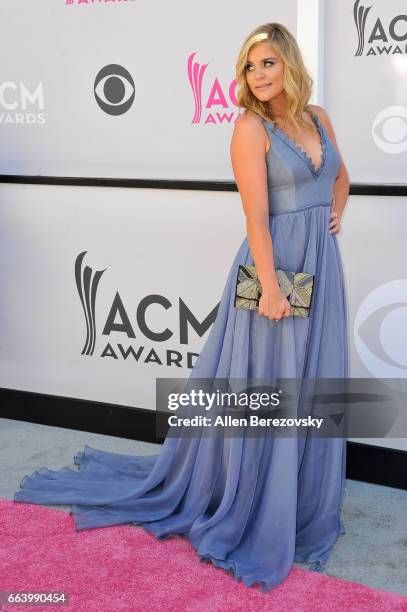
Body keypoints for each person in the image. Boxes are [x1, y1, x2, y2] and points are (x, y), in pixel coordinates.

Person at [14, 22, 350, 592]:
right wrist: (269, 287)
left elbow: (340, 176)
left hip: (324, 266)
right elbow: (255, 219)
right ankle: (254, 503)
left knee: (313, 380)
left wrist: (335, 210)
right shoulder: (250, 128)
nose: (259, 75)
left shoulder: (318, 116)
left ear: (289, 63)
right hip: (277, 269)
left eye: (268, 63)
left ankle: (299, 499)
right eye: (250, 66)